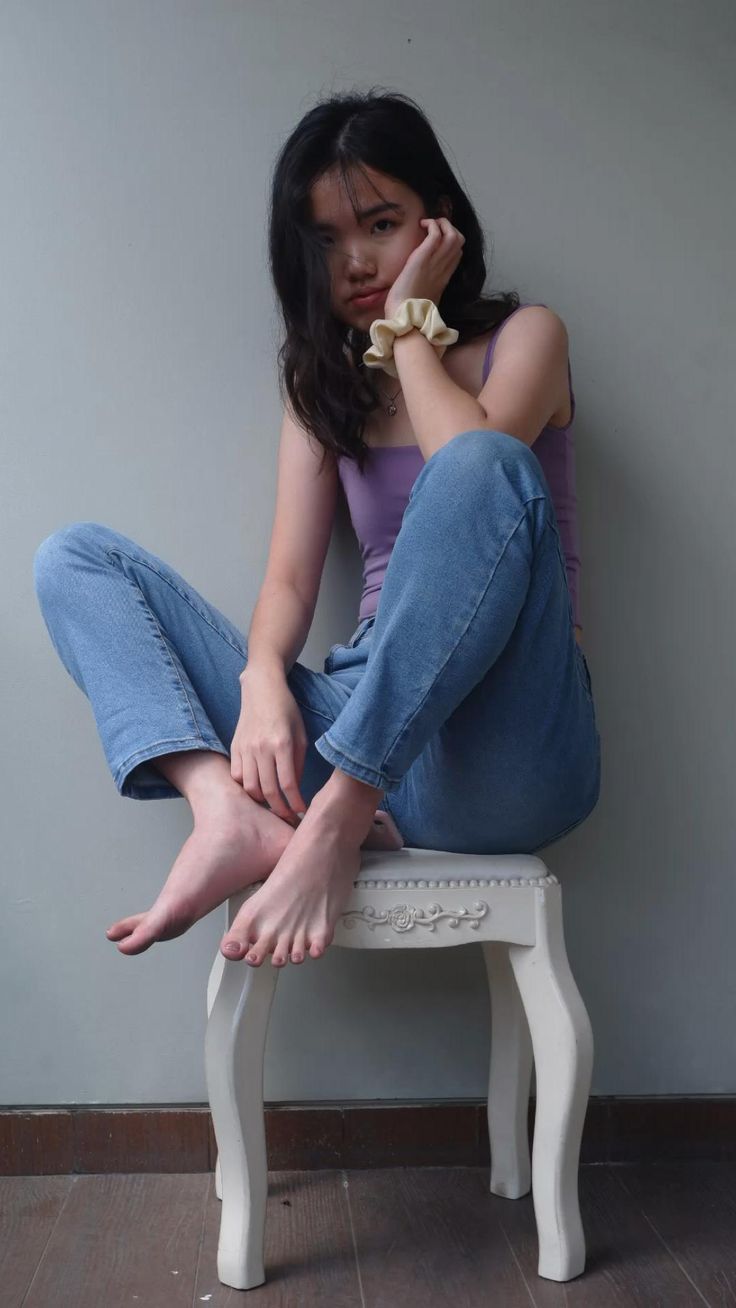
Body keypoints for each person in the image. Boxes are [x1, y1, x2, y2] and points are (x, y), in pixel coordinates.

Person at [33, 88, 601, 972]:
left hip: (508, 742)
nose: (356, 261)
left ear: (439, 223)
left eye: (380, 223)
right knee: (73, 559)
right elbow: (291, 585)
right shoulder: (320, 395)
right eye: (327, 240)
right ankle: (224, 812)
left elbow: (471, 460)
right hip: (360, 711)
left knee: (485, 466)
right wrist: (261, 682)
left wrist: (409, 326)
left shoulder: (528, 338)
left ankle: (337, 819)